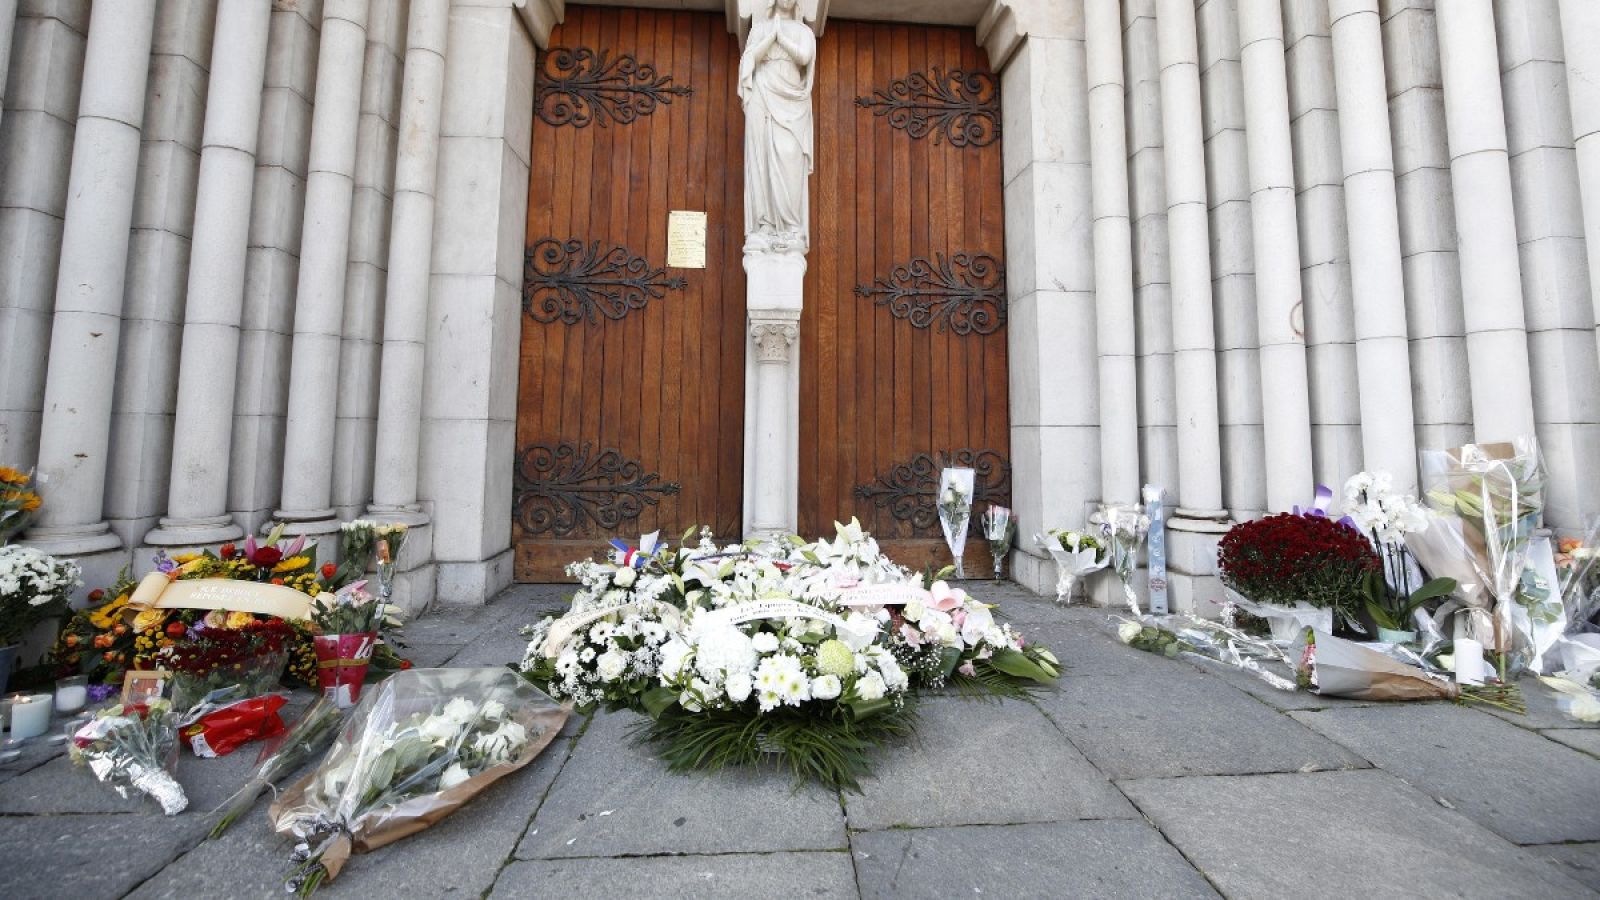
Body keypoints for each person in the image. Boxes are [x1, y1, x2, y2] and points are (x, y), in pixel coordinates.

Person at [739, 0, 815, 252]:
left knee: (789, 156)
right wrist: (769, 36)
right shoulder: (759, 29)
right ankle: (764, 228)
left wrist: (781, 38)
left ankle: (791, 228)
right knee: (761, 158)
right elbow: (749, 59)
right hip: (762, 92)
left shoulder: (803, 31)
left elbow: (804, 57)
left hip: (792, 101)